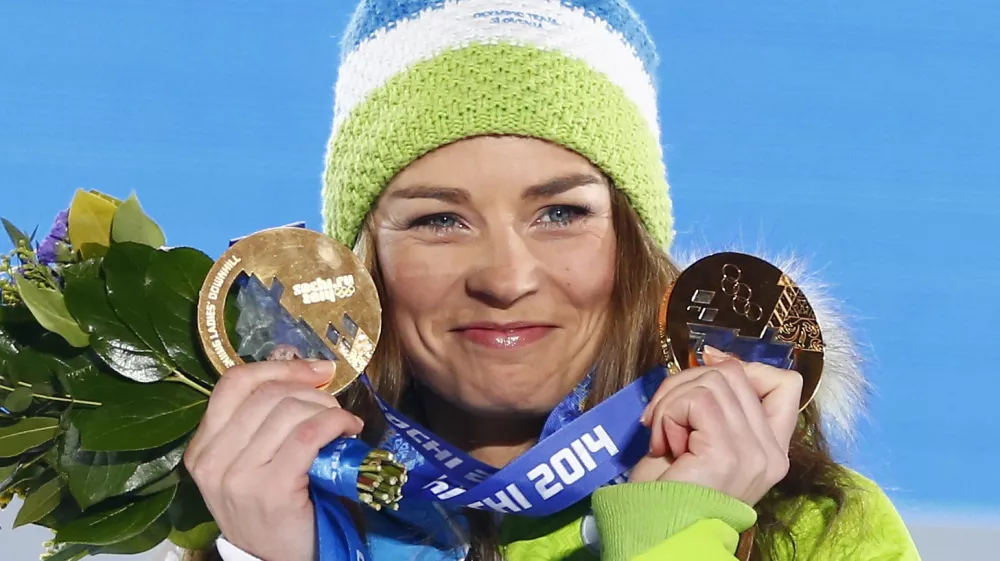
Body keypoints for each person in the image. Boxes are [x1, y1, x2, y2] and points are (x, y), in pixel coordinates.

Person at [179, 1, 920, 560]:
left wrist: (678, 534)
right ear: (362, 262)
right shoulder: (264, 509)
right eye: (440, 220)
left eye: (560, 213)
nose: (506, 278)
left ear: (633, 241)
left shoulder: (820, 533)